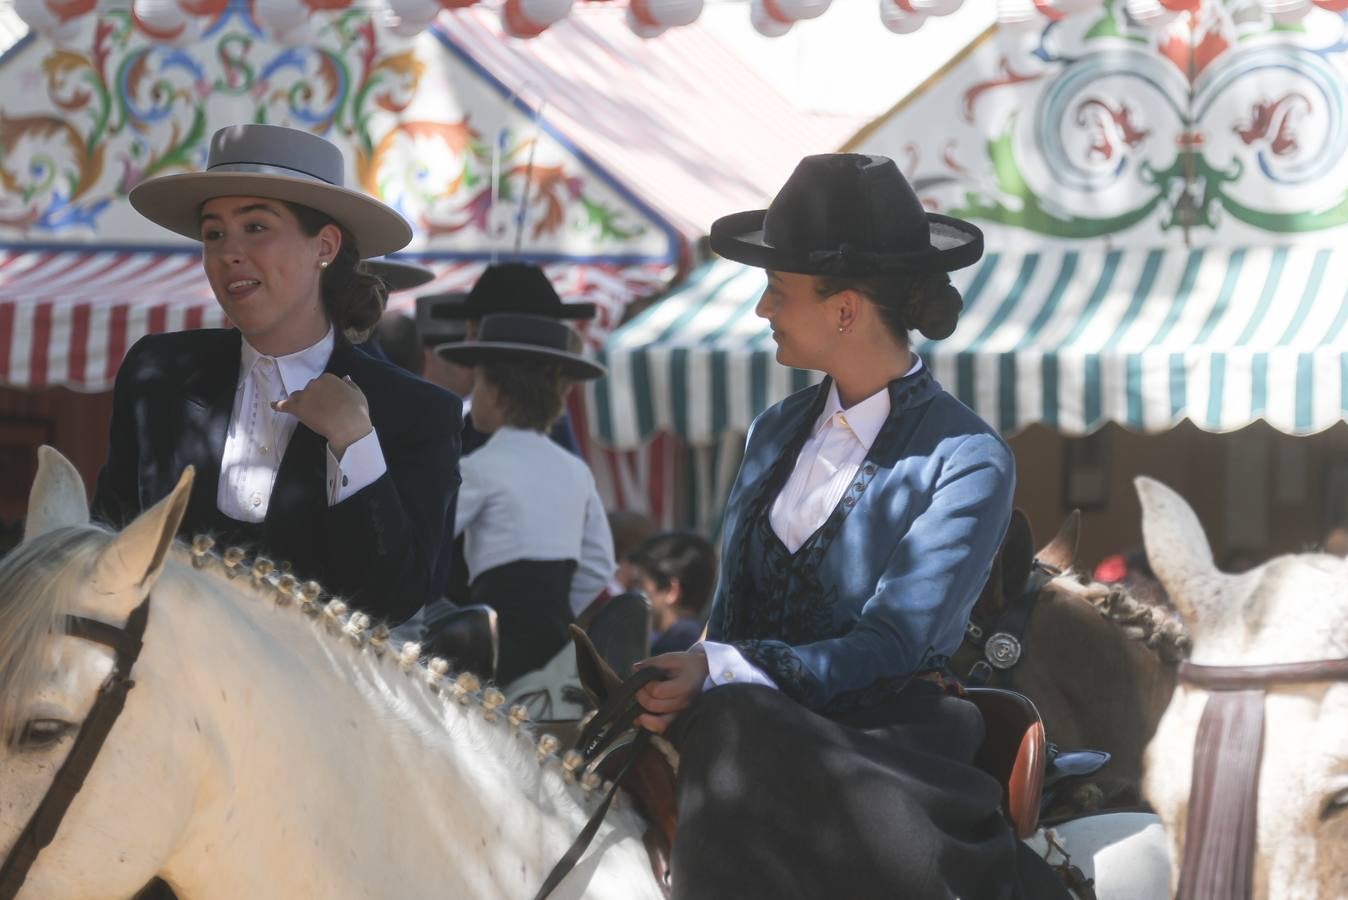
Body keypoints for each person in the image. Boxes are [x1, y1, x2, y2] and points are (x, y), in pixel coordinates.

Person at [632, 155, 1062, 899]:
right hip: (739, 727)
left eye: (777, 290)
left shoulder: (968, 458)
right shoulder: (773, 429)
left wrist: (727, 673)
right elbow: (731, 616)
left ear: (845, 309)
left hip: (887, 750)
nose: (763, 310)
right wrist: (685, 673)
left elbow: (893, 645)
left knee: (734, 722)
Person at [93, 123, 462, 624]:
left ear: (324, 247)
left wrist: (354, 442)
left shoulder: (417, 412)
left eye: (256, 227)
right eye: (214, 233)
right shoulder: (158, 372)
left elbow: (393, 600)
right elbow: (110, 539)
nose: (228, 253)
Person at [439, 313, 614, 686]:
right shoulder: (576, 469)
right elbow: (600, 564)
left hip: (498, 639)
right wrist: (558, 610)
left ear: (498, 393)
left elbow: (431, 536)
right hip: (558, 638)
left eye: (480, 384)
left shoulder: (479, 466)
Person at [628, 531, 716, 654]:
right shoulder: (707, 646)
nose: (632, 592)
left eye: (640, 584)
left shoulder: (668, 653)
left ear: (671, 591)